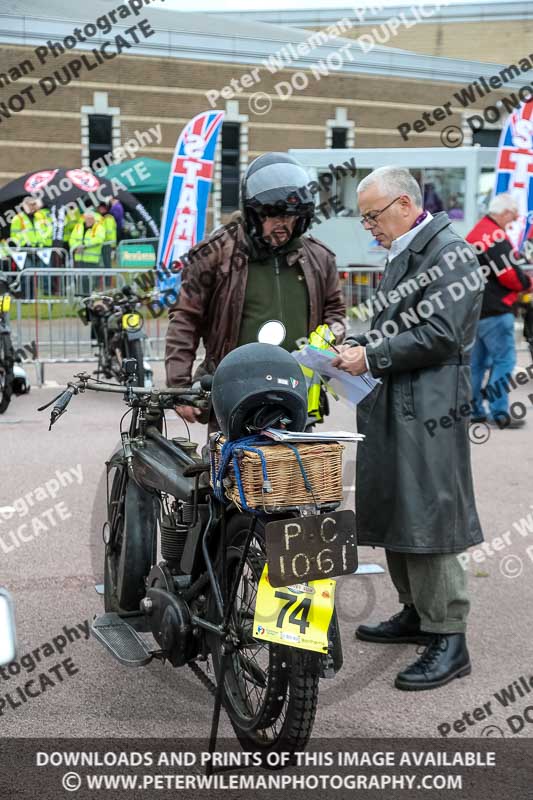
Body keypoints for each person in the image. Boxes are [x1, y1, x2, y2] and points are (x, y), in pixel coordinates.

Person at [332, 166, 484, 691]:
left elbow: (442, 334)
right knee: (401, 505)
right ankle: (416, 613)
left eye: (372, 215)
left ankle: (449, 636)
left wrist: (370, 353)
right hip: (402, 403)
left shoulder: (451, 253)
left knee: (431, 515)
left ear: (402, 204)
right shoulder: (414, 251)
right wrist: (354, 342)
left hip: (428, 407)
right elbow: (404, 327)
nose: (368, 226)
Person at [164, 151, 346, 426]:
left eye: (289, 216)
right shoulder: (214, 254)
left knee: (295, 469)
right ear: (253, 213)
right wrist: (179, 388)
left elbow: (336, 313)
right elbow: (185, 319)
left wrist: (327, 342)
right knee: (229, 468)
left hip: (297, 394)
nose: (281, 224)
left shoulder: (320, 258)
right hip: (232, 392)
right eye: (271, 215)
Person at [466, 193, 533, 428]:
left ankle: (474, 410)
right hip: (496, 309)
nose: (512, 222)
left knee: (476, 364)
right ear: (504, 213)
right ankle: (499, 412)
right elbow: (509, 275)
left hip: (476, 309)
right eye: (512, 218)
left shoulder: (478, 232)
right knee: (504, 362)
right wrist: (527, 283)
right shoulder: (494, 236)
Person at [69, 210, 106, 295]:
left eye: (91, 218)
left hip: (92, 259)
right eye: (87, 218)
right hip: (79, 258)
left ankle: (89, 296)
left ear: (94, 218)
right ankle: (81, 295)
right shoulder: (78, 226)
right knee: (79, 278)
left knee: (90, 280)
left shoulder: (99, 227)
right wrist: (76, 247)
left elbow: (99, 239)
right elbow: (72, 238)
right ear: (84, 218)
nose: (89, 220)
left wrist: (84, 246)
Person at [97, 202, 118, 270]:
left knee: (107, 265)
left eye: (102, 208)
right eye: (100, 208)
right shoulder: (103, 217)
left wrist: (111, 245)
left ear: (105, 209)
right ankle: (106, 279)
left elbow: (109, 232)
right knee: (105, 264)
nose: (100, 209)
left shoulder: (108, 217)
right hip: (105, 243)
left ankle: (108, 280)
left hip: (107, 244)